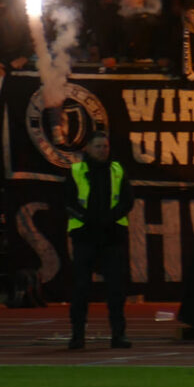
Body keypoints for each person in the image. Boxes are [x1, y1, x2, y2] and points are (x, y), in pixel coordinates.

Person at [66, 130, 133, 349]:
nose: (103, 150)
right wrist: (87, 219)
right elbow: (68, 202)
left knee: (116, 288)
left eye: (105, 146)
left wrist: (110, 219)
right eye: (98, 146)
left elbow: (127, 201)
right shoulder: (76, 171)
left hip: (112, 236)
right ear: (87, 148)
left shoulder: (117, 170)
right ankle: (77, 335)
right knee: (81, 287)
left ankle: (118, 335)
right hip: (85, 236)